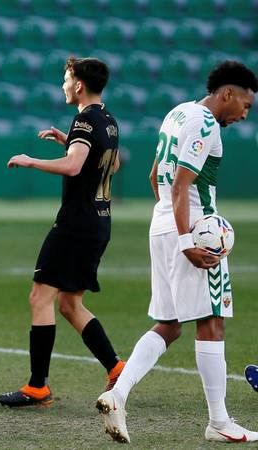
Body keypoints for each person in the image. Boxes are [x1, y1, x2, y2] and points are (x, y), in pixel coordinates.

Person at [97, 60, 258, 443]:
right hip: (195, 231)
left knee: (169, 326)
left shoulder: (177, 112)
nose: (245, 114)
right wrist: (189, 240)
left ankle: (118, 394)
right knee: (212, 320)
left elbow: (156, 176)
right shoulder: (206, 124)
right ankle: (219, 422)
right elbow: (182, 183)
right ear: (228, 94)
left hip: (162, 226)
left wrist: (172, 226)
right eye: (246, 105)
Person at [0, 57, 125, 407]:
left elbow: (74, 166)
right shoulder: (108, 120)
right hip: (99, 221)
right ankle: (116, 368)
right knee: (69, 303)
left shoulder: (85, 119)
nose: (63, 85)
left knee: (40, 298)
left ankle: (37, 386)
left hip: (75, 224)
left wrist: (31, 160)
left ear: (79, 84)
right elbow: (109, 163)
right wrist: (67, 140)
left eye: (65, 79)